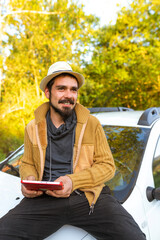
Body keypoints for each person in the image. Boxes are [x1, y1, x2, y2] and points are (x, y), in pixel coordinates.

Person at [0, 61, 146, 240]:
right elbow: (28, 162)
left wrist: (72, 181)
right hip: (45, 199)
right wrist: (29, 179)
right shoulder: (32, 127)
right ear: (48, 92)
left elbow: (107, 166)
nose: (68, 95)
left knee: (135, 238)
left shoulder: (92, 124)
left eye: (73, 89)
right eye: (61, 89)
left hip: (87, 199)